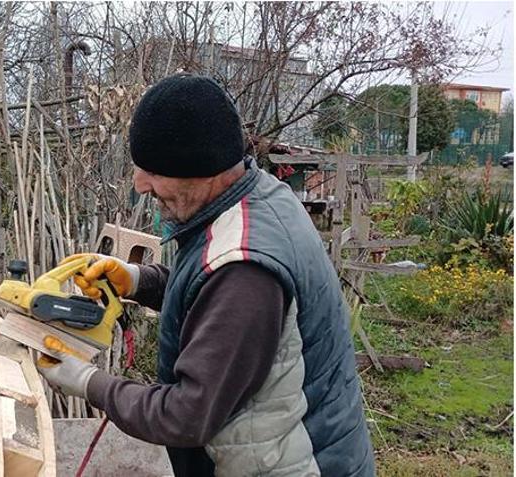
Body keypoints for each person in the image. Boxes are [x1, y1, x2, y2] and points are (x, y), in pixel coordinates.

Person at [37, 74, 375, 476]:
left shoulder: (245, 270)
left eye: (154, 170)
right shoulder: (259, 196)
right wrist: (138, 280)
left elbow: (186, 415)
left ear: (202, 170)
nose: (140, 184)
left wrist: (87, 381)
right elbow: (214, 302)